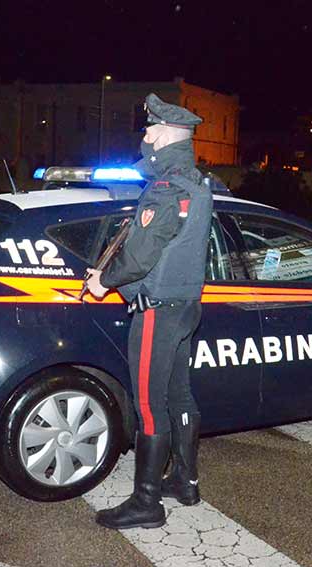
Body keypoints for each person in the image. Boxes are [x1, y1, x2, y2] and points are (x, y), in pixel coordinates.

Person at [85, 93, 212, 529]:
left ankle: (147, 502)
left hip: (157, 311)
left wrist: (102, 282)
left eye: (149, 130)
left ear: (165, 135)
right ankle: (186, 481)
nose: (145, 136)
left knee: (148, 405)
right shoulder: (197, 182)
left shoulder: (165, 188)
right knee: (179, 396)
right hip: (185, 307)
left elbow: (140, 254)